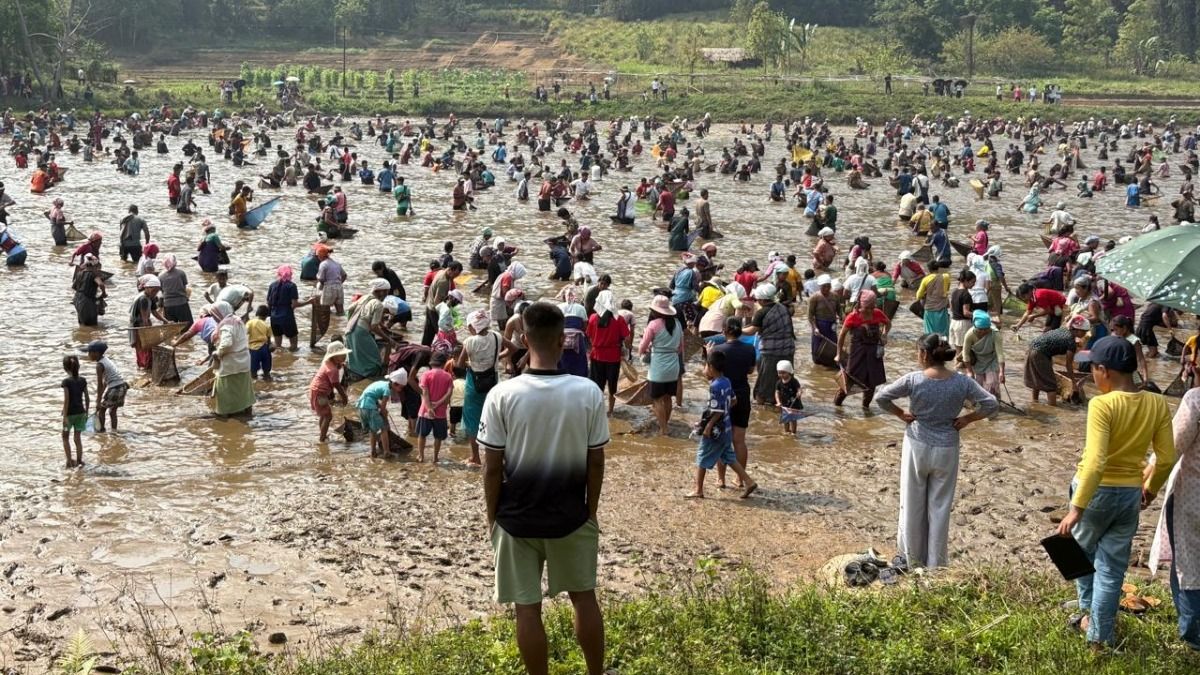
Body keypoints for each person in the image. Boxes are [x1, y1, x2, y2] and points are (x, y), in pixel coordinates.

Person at [478, 302, 609, 675]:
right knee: (584, 598)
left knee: (527, 608)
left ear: (523, 338)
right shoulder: (587, 393)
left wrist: (492, 517)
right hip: (571, 515)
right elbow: (596, 462)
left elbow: (492, 467)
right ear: (562, 340)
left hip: (516, 520)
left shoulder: (502, 395)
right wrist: (591, 511)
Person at [1057, 336, 1176, 647]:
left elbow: (1096, 461)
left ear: (1104, 370)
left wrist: (1076, 508)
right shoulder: (1157, 403)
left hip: (1095, 493)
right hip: (1129, 495)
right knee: (1111, 568)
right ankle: (1099, 635)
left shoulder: (1102, 404)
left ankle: (1086, 609)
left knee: (1077, 551)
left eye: (1092, 370)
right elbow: (1166, 458)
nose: (1091, 377)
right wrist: (1149, 491)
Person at [876, 333, 997, 568]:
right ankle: (936, 565)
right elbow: (991, 403)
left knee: (912, 502)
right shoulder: (962, 382)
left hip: (917, 445)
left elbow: (882, 398)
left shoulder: (913, 380)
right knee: (940, 506)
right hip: (947, 447)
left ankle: (911, 558)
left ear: (924, 354)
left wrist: (900, 414)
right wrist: (968, 419)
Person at [1151, 387, 1200, 651]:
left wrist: (1148, 487)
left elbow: (1170, 450)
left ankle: (1193, 636)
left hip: (1193, 498)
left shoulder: (1196, 399)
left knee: (1189, 564)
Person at [687, 350, 758, 499]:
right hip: (726, 427)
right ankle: (749, 481)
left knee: (702, 457)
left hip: (716, 430)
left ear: (711, 367)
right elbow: (734, 400)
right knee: (729, 457)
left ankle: (698, 490)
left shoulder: (715, 386)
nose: (704, 369)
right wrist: (723, 411)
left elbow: (717, 410)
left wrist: (708, 426)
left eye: (706, 366)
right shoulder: (726, 381)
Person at [458, 309, 514, 466]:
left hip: (474, 384)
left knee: (471, 419)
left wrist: (471, 363)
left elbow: (460, 364)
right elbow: (513, 348)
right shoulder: (496, 336)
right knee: (493, 417)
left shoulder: (469, 342)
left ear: (473, 326)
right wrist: (498, 357)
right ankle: (497, 454)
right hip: (492, 382)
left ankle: (475, 457)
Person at [835, 289, 891, 408]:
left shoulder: (877, 313)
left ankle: (866, 408)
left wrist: (884, 335)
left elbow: (888, 323)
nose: (870, 310)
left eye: (872, 307)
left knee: (871, 383)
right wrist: (838, 354)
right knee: (849, 380)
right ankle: (837, 406)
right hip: (857, 352)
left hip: (873, 353)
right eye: (867, 308)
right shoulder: (852, 317)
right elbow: (842, 335)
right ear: (860, 305)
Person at [638, 295, 683, 436]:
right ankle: (665, 424)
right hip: (673, 365)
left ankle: (663, 429)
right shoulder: (678, 324)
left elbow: (642, 348)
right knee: (668, 397)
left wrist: (648, 349)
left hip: (658, 368)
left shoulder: (653, 325)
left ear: (655, 311)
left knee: (657, 399)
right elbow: (680, 348)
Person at [1023, 315, 1089, 406]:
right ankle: (1053, 409)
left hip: (1031, 349)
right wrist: (1074, 384)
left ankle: (1035, 402)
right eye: (1084, 331)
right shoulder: (1071, 342)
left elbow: (1053, 341)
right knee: (1051, 386)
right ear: (1077, 330)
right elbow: (1068, 365)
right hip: (1040, 354)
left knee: (1036, 378)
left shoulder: (1063, 330)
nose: (1085, 334)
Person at [746, 283, 796, 405]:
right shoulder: (782, 308)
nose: (757, 301)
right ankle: (784, 401)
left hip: (770, 352)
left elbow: (752, 330)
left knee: (764, 381)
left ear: (762, 300)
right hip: (788, 349)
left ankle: (761, 406)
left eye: (757, 299)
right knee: (785, 377)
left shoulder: (761, 312)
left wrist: (739, 330)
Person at [586, 290, 632, 416]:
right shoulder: (619, 320)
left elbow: (589, 336)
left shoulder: (593, 318)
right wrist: (628, 349)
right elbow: (627, 339)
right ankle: (611, 410)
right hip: (613, 357)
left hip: (597, 356)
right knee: (612, 386)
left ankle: (598, 409)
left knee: (597, 386)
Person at [345, 279, 397, 379]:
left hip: (350, 328)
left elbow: (350, 309)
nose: (386, 295)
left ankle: (356, 374)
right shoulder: (378, 304)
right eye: (386, 292)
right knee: (374, 357)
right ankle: (369, 377)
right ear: (381, 291)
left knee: (355, 355)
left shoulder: (364, 298)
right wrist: (389, 339)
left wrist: (351, 323)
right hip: (361, 332)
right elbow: (374, 327)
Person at [211, 301, 255, 416]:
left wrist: (218, 353)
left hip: (231, 363)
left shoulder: (226, 325)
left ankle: (225, 413)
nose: (214, 318)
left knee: (225, 389)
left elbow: (226, 343)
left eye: (214, 315)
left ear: (220, 313)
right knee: (243, 388)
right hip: (244, 360)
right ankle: (246, 410)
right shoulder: (238, 321)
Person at [357, 369, 406, 458]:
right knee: (384, 428)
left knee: (373, 430)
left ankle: (373, 452)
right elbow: (383, 409)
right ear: (395, 384)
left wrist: (382, 409)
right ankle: (387, 452)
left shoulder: (382, 383)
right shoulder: (387, 391)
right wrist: (385, 417)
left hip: (361, 406)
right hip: (370, 407)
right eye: (401, 387)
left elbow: (371, 396)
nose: (400, 390)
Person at [81, 340, 126, 433]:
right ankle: (114, 431)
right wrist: (101, 395)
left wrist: (98, 401)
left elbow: (100, 384)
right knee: (112, 411)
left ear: (96, 353)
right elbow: (106, 380)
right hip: (122, 386)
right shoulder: (106, 360)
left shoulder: (99, 365)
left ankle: (101, 431)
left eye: (90, 353)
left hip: (115, 388)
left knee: (101, 410)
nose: (88, 355)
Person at [310, 341, 351, 443]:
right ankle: (322, 439)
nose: (345, 356)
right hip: (320, 393)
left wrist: (341, 365)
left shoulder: (328, 363)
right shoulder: (333, 370)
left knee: (324, 415)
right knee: (328, 416)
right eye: (342, 355)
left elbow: (336, 368)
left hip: (316, 390)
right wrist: (344, 396)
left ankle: (322, 434)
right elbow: (336, 385)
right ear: (334, 356)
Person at [417, 352, 454, 462]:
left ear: (432, 363)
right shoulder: (448, 376)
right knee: (438, 436)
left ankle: (421, 456)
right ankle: (435, 457)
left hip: (425, 411)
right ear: (443, 363)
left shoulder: (426, 374)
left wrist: (429, 407)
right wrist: (438, 403)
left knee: (422, 434)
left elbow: (425, 392)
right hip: (441, 412)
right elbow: (449, 393)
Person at [959, 311, 1005, 396]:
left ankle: (995, 401)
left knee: (992, 385)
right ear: (975, 326)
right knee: (977, 387)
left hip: (992, 360)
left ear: (989, 327)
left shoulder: (995, 334)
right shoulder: (969, 335)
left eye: (986, 329)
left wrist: (1002, 372)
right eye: (980, 329)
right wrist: (969, 371)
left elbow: (1000, 354)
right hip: (978, 361)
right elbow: (965, 354)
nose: (983, 332)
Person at [312, 245, 346, 349]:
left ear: (321, 256)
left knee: (324, 311)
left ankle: (326, 330)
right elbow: (344, 275)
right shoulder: (336, 263)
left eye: (318, 256)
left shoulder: (323, 264)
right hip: (339, 287)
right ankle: (341, 328)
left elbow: (321, 278)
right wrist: (338, 283)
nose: (317, 258)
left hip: (329, 288)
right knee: (340, 311)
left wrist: (322, 285)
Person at [61, 355, 89, 468]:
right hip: (81, 413)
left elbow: (67, 400)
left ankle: (69, 461)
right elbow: (87, 398)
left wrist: (65, 416)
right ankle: (79, 460)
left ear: (65, 368)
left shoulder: (66, 382)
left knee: (65, 437)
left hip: (70, 415)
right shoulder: (83, 380)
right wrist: (86, 412)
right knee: (77, 438)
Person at [807, 274, 839, 366]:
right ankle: (818, 365)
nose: (826, 288)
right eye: (824, 286)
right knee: (817, 347)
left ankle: (831, 362)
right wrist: (815, 327)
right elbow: (810, 315)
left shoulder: (835, 296)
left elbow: (839, 311)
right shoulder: (814, 298)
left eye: (828, 286)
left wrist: (843, 319)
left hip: (831, 325)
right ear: (819, 286)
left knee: (833, 345)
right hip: (820, 325)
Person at [916, 260, 951, 339]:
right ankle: (943, 344)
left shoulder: (926, 279)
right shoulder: (946, 277)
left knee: (929, 332)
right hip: (942, 307)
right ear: (938, 268)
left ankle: (931, 344)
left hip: (930, 308)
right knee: (943, 332)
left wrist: (926, 293)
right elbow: (946, 290)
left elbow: (918, 296)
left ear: (929, 269)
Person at [72, 255, 106, 326]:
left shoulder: (79, 274)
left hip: (77, 300)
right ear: (95, 266)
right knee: (92, 324)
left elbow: (74, 287)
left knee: (82, 322)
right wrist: (103, 293)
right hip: (87, 301)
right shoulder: (93, 274)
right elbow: (101, 284)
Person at [775, 360, 805, 434]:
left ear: (789, 372)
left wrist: (799, 393)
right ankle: (786, 432)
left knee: (793, 419)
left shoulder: (794, 381)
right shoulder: (779, 383)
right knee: (785, 419)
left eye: (783, 373)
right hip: (784, 404)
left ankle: (793, 433)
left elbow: (799, 389)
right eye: (779, 373)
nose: (781, 375)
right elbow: (777, 392)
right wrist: (778, 402)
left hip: (794, 404)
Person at [247, 305, 273, 381]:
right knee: (266, 370)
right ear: (267, 316)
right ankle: (267, 379)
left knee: (253, 371)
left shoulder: (250, 323)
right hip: (264, 348)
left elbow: (245, 333)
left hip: (253, 349)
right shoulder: (267, 325)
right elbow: (269, 340)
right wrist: (270, 346)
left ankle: (256, 383)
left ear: (257, 313)